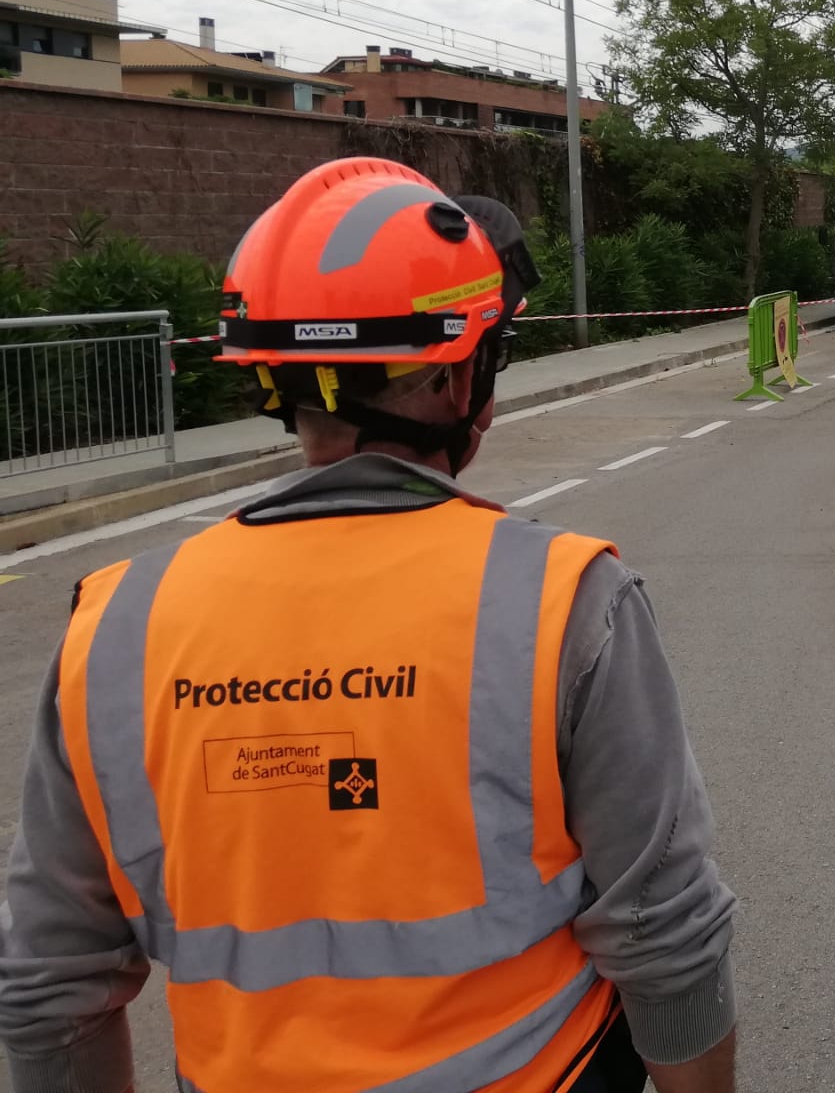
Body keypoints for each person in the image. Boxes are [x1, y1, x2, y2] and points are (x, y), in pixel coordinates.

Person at [0, 158, 737, 1093]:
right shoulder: (565, 599)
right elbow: (664, 933)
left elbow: (49, 983)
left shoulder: (115, 623)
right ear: (453, 373)